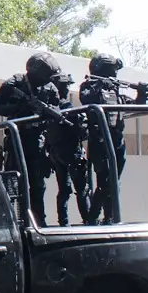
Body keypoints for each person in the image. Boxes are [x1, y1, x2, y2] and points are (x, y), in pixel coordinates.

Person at [78, 53, 148, 225]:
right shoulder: (88, 86)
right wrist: (99, 85)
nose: (115, 75)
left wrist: (141, 95)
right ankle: (92, 218)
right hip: (100, 141)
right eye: (112, 71)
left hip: (116, 141)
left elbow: (132, 106)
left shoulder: (115, 89)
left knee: (114, 182)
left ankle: (110, 217)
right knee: (105, 182)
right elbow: (86, 99)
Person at [0, 52, 65, 226]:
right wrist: (20, 106)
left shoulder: (50, 88)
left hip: (37, 141)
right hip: (17, 139)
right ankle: (10, 223)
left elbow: (57, 109)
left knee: (38, 184)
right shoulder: (14, 83)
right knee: (13, 183)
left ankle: (39, 222)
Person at [45, 72, 91, 227]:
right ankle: (89, 220)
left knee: (64, 190)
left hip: (56, 154)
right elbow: (82, 132)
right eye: (66, 86)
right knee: (81, 189)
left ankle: (63, 222)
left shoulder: (50, 109)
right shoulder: (67, 108)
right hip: (72, 153)